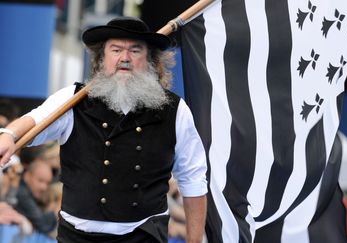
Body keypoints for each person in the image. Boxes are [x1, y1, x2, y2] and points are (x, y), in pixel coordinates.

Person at [0, 16, 207, 243]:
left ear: (150, 60)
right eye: (116, 50)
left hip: (143, 235)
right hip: (77, 237)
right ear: (101, 59)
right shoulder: (73, 99)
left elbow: (192, 179)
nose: (125, 58)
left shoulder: (175, 110)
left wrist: (194, 241)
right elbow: (34, 120)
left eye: (135, 51)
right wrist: (9, 135)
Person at [14, 160, 59, 235]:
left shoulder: (28, 191)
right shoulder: (20, 192)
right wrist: (57, 210)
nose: (44, 187)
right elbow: (43, 224)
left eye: (47, 183)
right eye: (40, 181)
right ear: (28, 175)